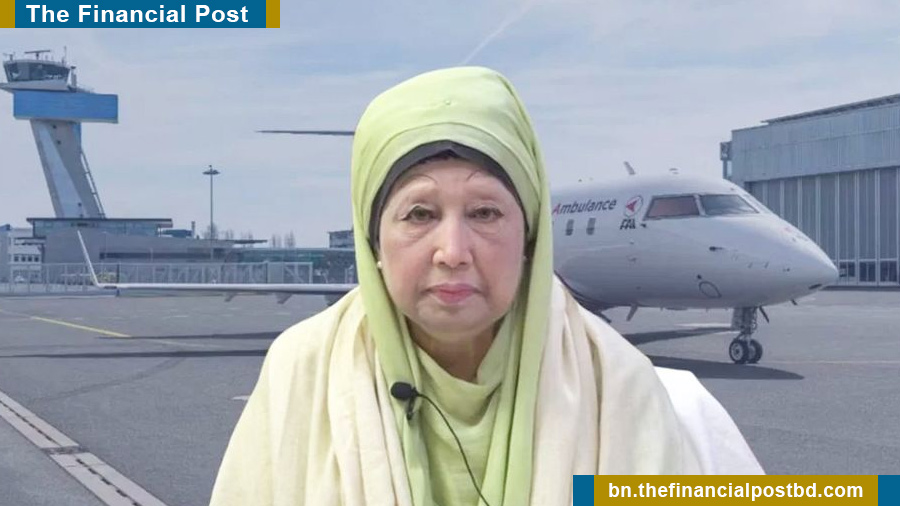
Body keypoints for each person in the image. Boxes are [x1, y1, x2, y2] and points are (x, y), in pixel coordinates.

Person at [209, 66, 762, 506]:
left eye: (486, 213)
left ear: (530, 236)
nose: (453, 251)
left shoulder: (631, 393)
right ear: (372, 239)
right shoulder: (298, 375)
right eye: (419, 214)